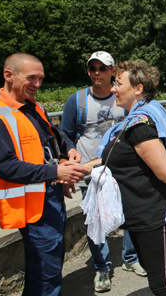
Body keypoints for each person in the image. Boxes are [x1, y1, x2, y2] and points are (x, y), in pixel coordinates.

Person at [87, 60, 166, 296]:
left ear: (138, 89)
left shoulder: (141, 125)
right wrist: (78, 169)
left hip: (156, 214)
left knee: (163, 284)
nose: (113, 88)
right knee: (157, 279)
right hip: (142, 216)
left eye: (118, 83)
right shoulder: (129, 122)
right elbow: (111, 158)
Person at [0, 53, 88, 296]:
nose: (37, 84)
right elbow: (5, 165)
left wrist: (70, 151)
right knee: (46, 275)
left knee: (48, 269)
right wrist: (57, 171)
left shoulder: (35, 107)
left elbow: (56, 138)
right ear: (8, 76)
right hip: (33, 207)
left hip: (49, 198)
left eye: (41, 79)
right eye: (31, 78)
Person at [61, 52, 145, 293]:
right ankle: (101, 267)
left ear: (112, 71)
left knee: (130, 214)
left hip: (121, 168)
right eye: (92, 68)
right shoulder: (76, 101)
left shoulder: (123, 95)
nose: (97, 72)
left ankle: (130, 259)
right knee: (95, 221)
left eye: (102, 68)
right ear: (89, 71)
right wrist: (70, 156)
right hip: (92, 172)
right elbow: (64, 135)